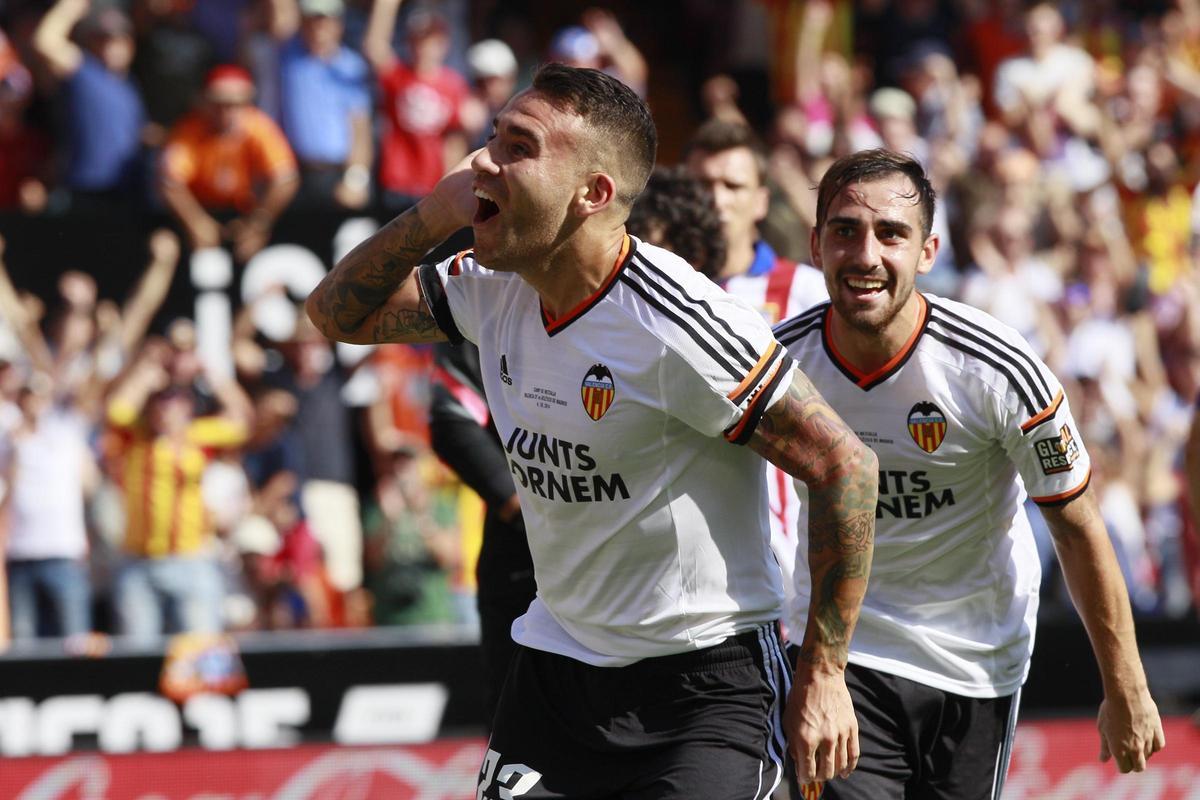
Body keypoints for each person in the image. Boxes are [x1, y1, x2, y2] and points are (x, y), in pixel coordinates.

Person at [306, 63, 878, 798]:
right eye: (492, 137)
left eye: (519, 146)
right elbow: (335, 315)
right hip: (556, 670)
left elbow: (844, 465)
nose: (482, 161)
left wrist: (825, 674)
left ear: (593, 194)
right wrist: (428, 215)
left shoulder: (679, 324)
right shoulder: (492, 288)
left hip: (701, 691)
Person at [772, 149, 1165, 798]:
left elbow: (1076, 525)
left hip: (976, 656)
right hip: (847, 655)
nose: (866, 254)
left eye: (890, 234)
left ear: (927, 252)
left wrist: (1126, 687)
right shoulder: (780, 368)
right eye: (845, 231)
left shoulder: (997, 367)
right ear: (815, 245)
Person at [685, 119, 828, 647]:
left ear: (762, 201)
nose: (716, 200)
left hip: (788, 565)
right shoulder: (654, 290)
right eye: (703, 186)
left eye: (732, 186)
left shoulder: (809, 293)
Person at [159, 64, 299, 262]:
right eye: (219, 104)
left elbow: (286, 178)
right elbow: (170, 182)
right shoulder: (189, 130)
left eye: (236, 104)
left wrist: (259, 223)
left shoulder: (258, 126)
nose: (227, 112)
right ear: (205, 102)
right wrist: (196, 223)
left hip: (246, 212)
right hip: (200, 210)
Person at [364, 0, 470, 211]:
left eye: (430, 41)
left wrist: (451, 185)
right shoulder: (398, 76)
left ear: (443, 44)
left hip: (433, 186)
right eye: (417, 41)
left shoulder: (454, 85)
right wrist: (387, 6)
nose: (423, 48)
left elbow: (454, 140)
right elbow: (374, 47)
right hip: (397, 182)